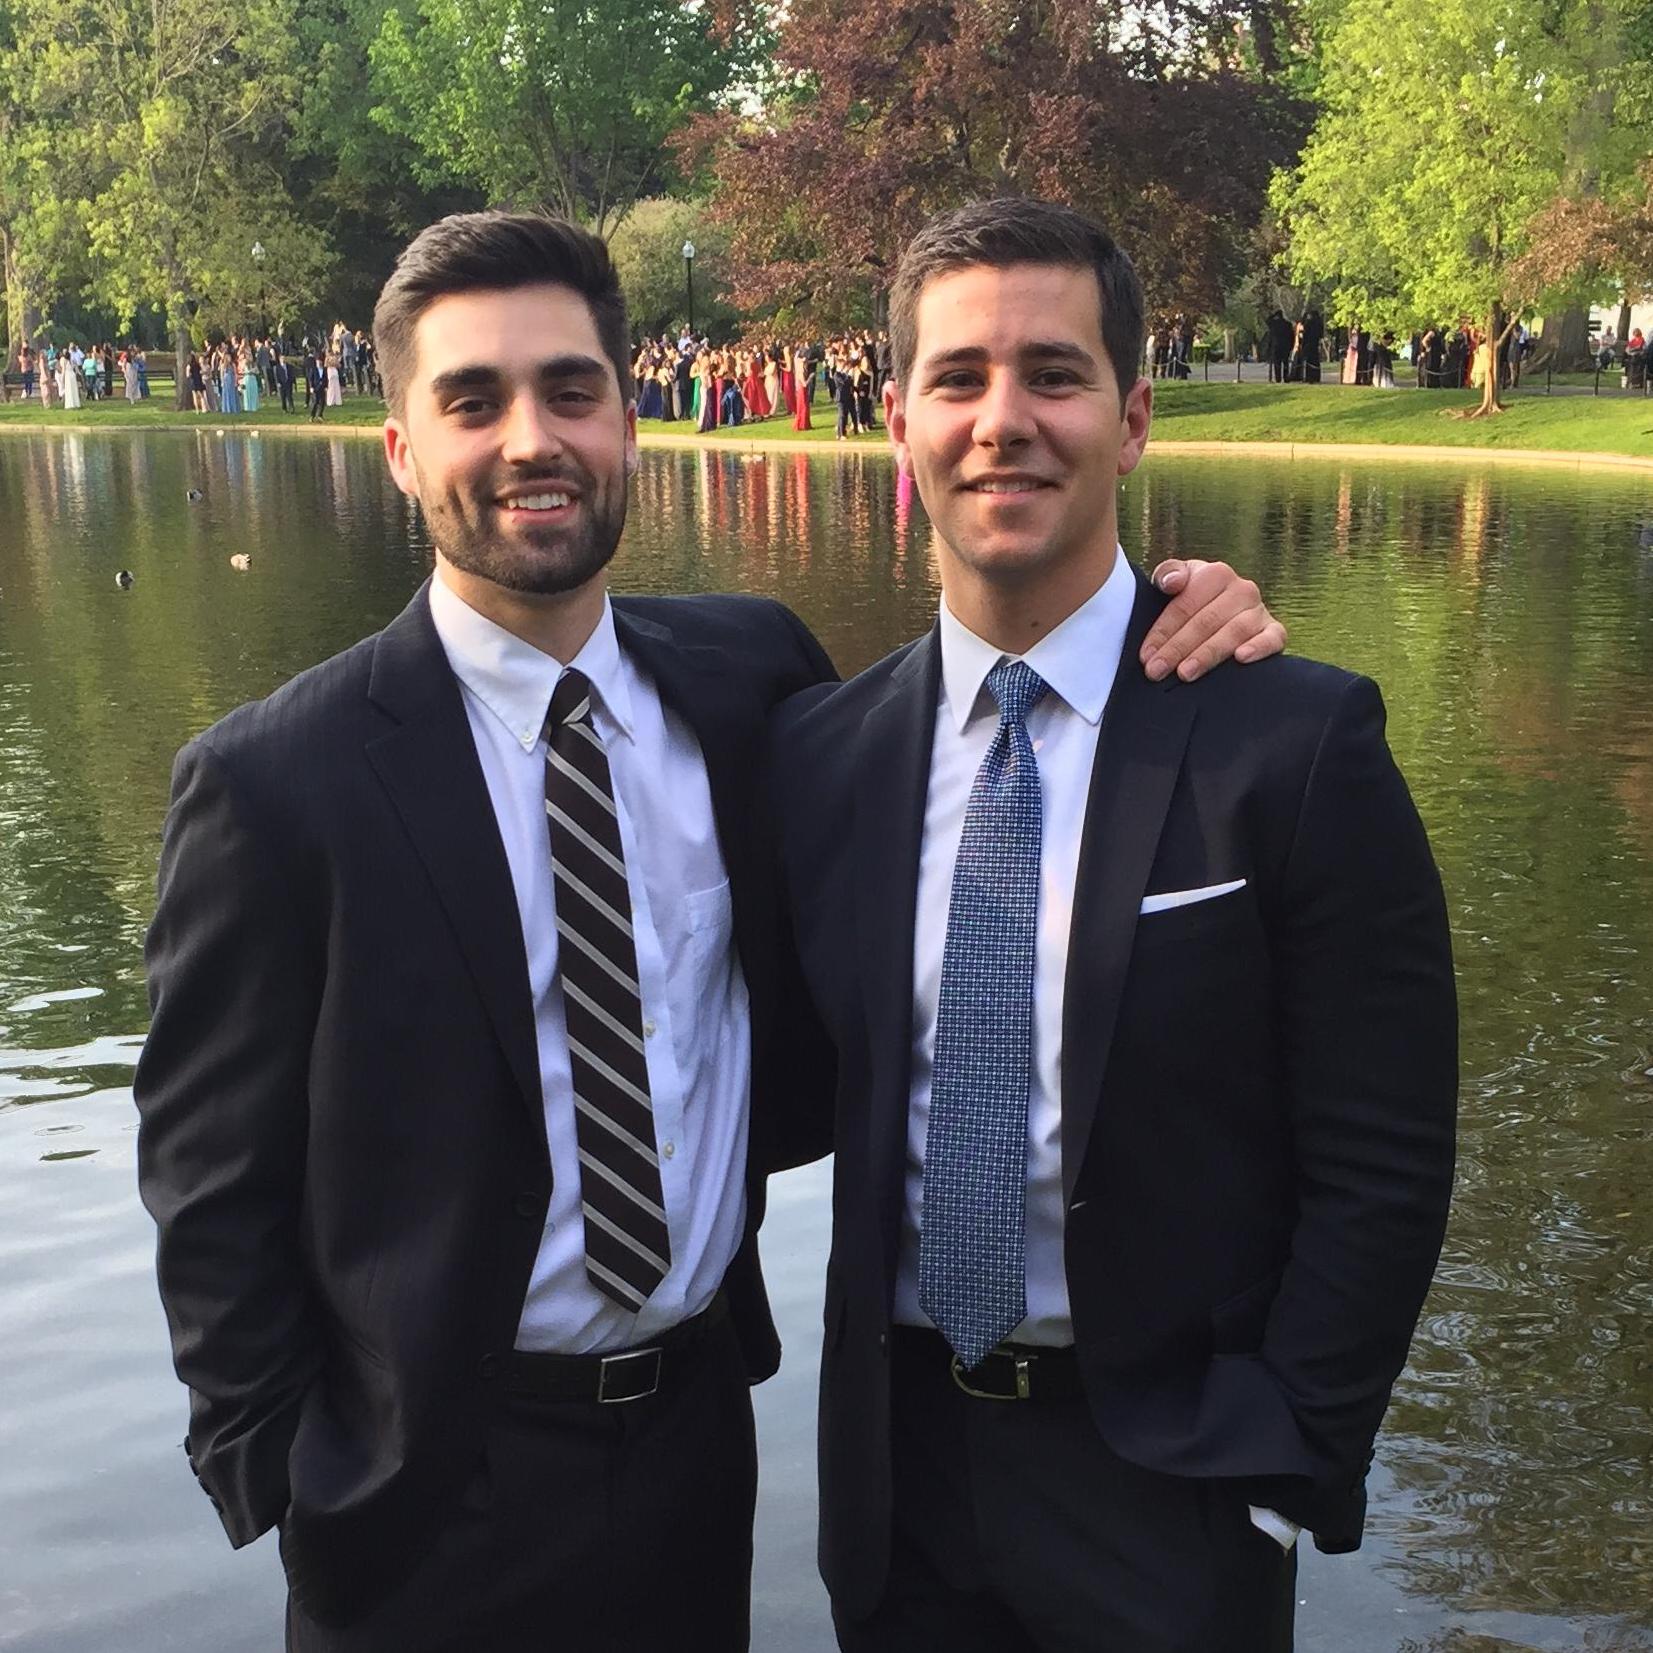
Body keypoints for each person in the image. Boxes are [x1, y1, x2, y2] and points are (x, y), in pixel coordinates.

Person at [132, 207, 1281, 1653]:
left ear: (628, 420)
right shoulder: (275, 785)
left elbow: (972, 754)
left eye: (570, 391)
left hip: (692, 1446)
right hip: (424, 1496)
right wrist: (289, 1475)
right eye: (473, 402)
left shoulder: (752, 686)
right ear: (401, 449)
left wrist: (1183, 603)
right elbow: (208, 1180)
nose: (531, 441)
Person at [766, 197, 1457, 1653]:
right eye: (957, 378)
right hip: (901, 1485)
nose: (1001, 421)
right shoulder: (822, 754)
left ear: (1133, 418)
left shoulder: (1292, 744)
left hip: (1175, 1485)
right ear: (896, 421)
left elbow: (1384, 1155)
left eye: (1053, 375)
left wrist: (1289, 1454)